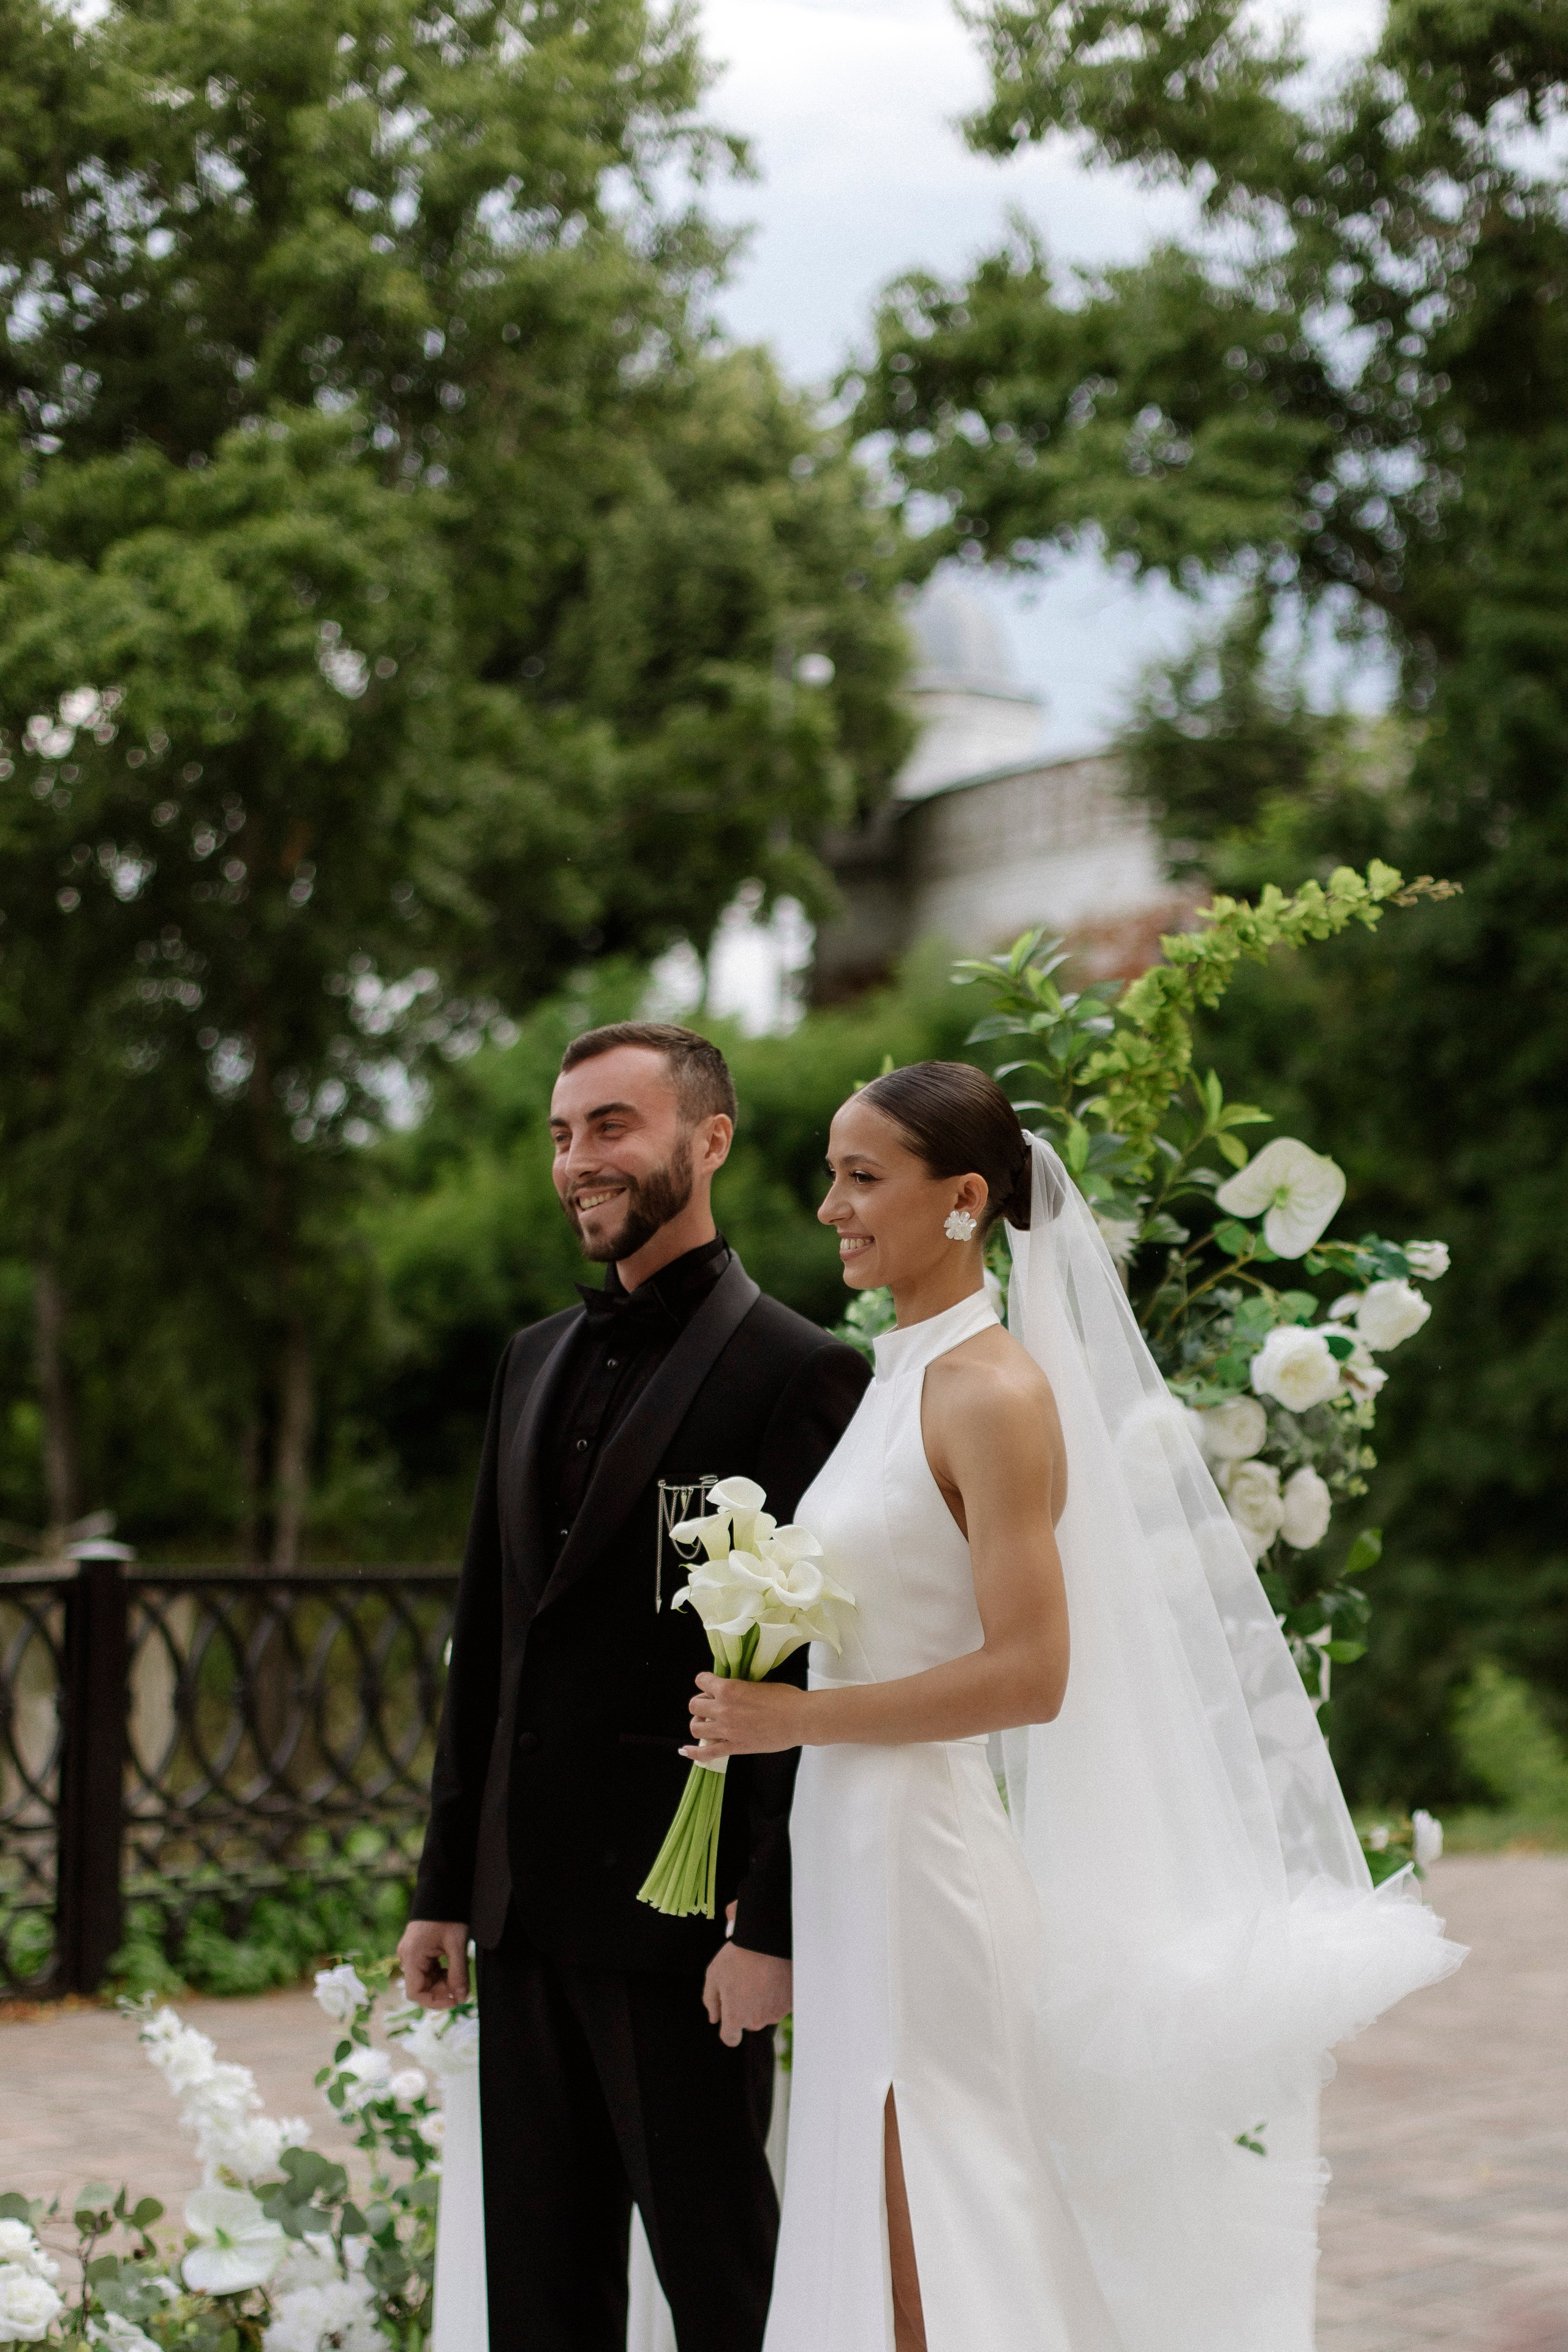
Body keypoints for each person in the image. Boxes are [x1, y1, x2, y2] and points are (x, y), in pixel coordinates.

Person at [685, 1061, 1462, 2352]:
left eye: (860, 1177)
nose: (828, 1206)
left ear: (964, 1200)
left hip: (919, 1864)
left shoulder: (991, 1392)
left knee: (933, 2201)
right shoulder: (895, 1371)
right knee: (873, 2199)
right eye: (832, 1174)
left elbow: (1030, 1673)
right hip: (846, 1850)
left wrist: (797, 1721)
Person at [398, 1022, 870, 2352]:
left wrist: (766, 1924)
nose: (576, 1161)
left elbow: (810, 1668)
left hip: (686, 1929)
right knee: (537, 2299)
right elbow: (489, 1641)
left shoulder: (801, 1372)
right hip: (523, 1911)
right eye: (560, 1134)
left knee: (727, 2288)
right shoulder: (529, 1360)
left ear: (706, 1140)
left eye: (609, 1126)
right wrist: (446, 1887)